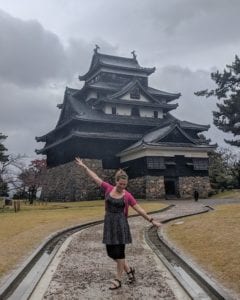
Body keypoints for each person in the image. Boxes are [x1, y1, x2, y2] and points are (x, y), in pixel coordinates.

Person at [75, 157, 162, 290]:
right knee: (111, 253)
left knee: (120, 253)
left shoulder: (127, 195)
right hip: (109, 224)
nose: (122, 187)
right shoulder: (108, 188)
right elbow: (96, 177)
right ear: (116, 181)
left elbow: (139, 209)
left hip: (121, 225)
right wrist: (84, 166)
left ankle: (118, 279)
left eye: (124, 185)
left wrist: (151, 220)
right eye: (120, 184)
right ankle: (129, 271)